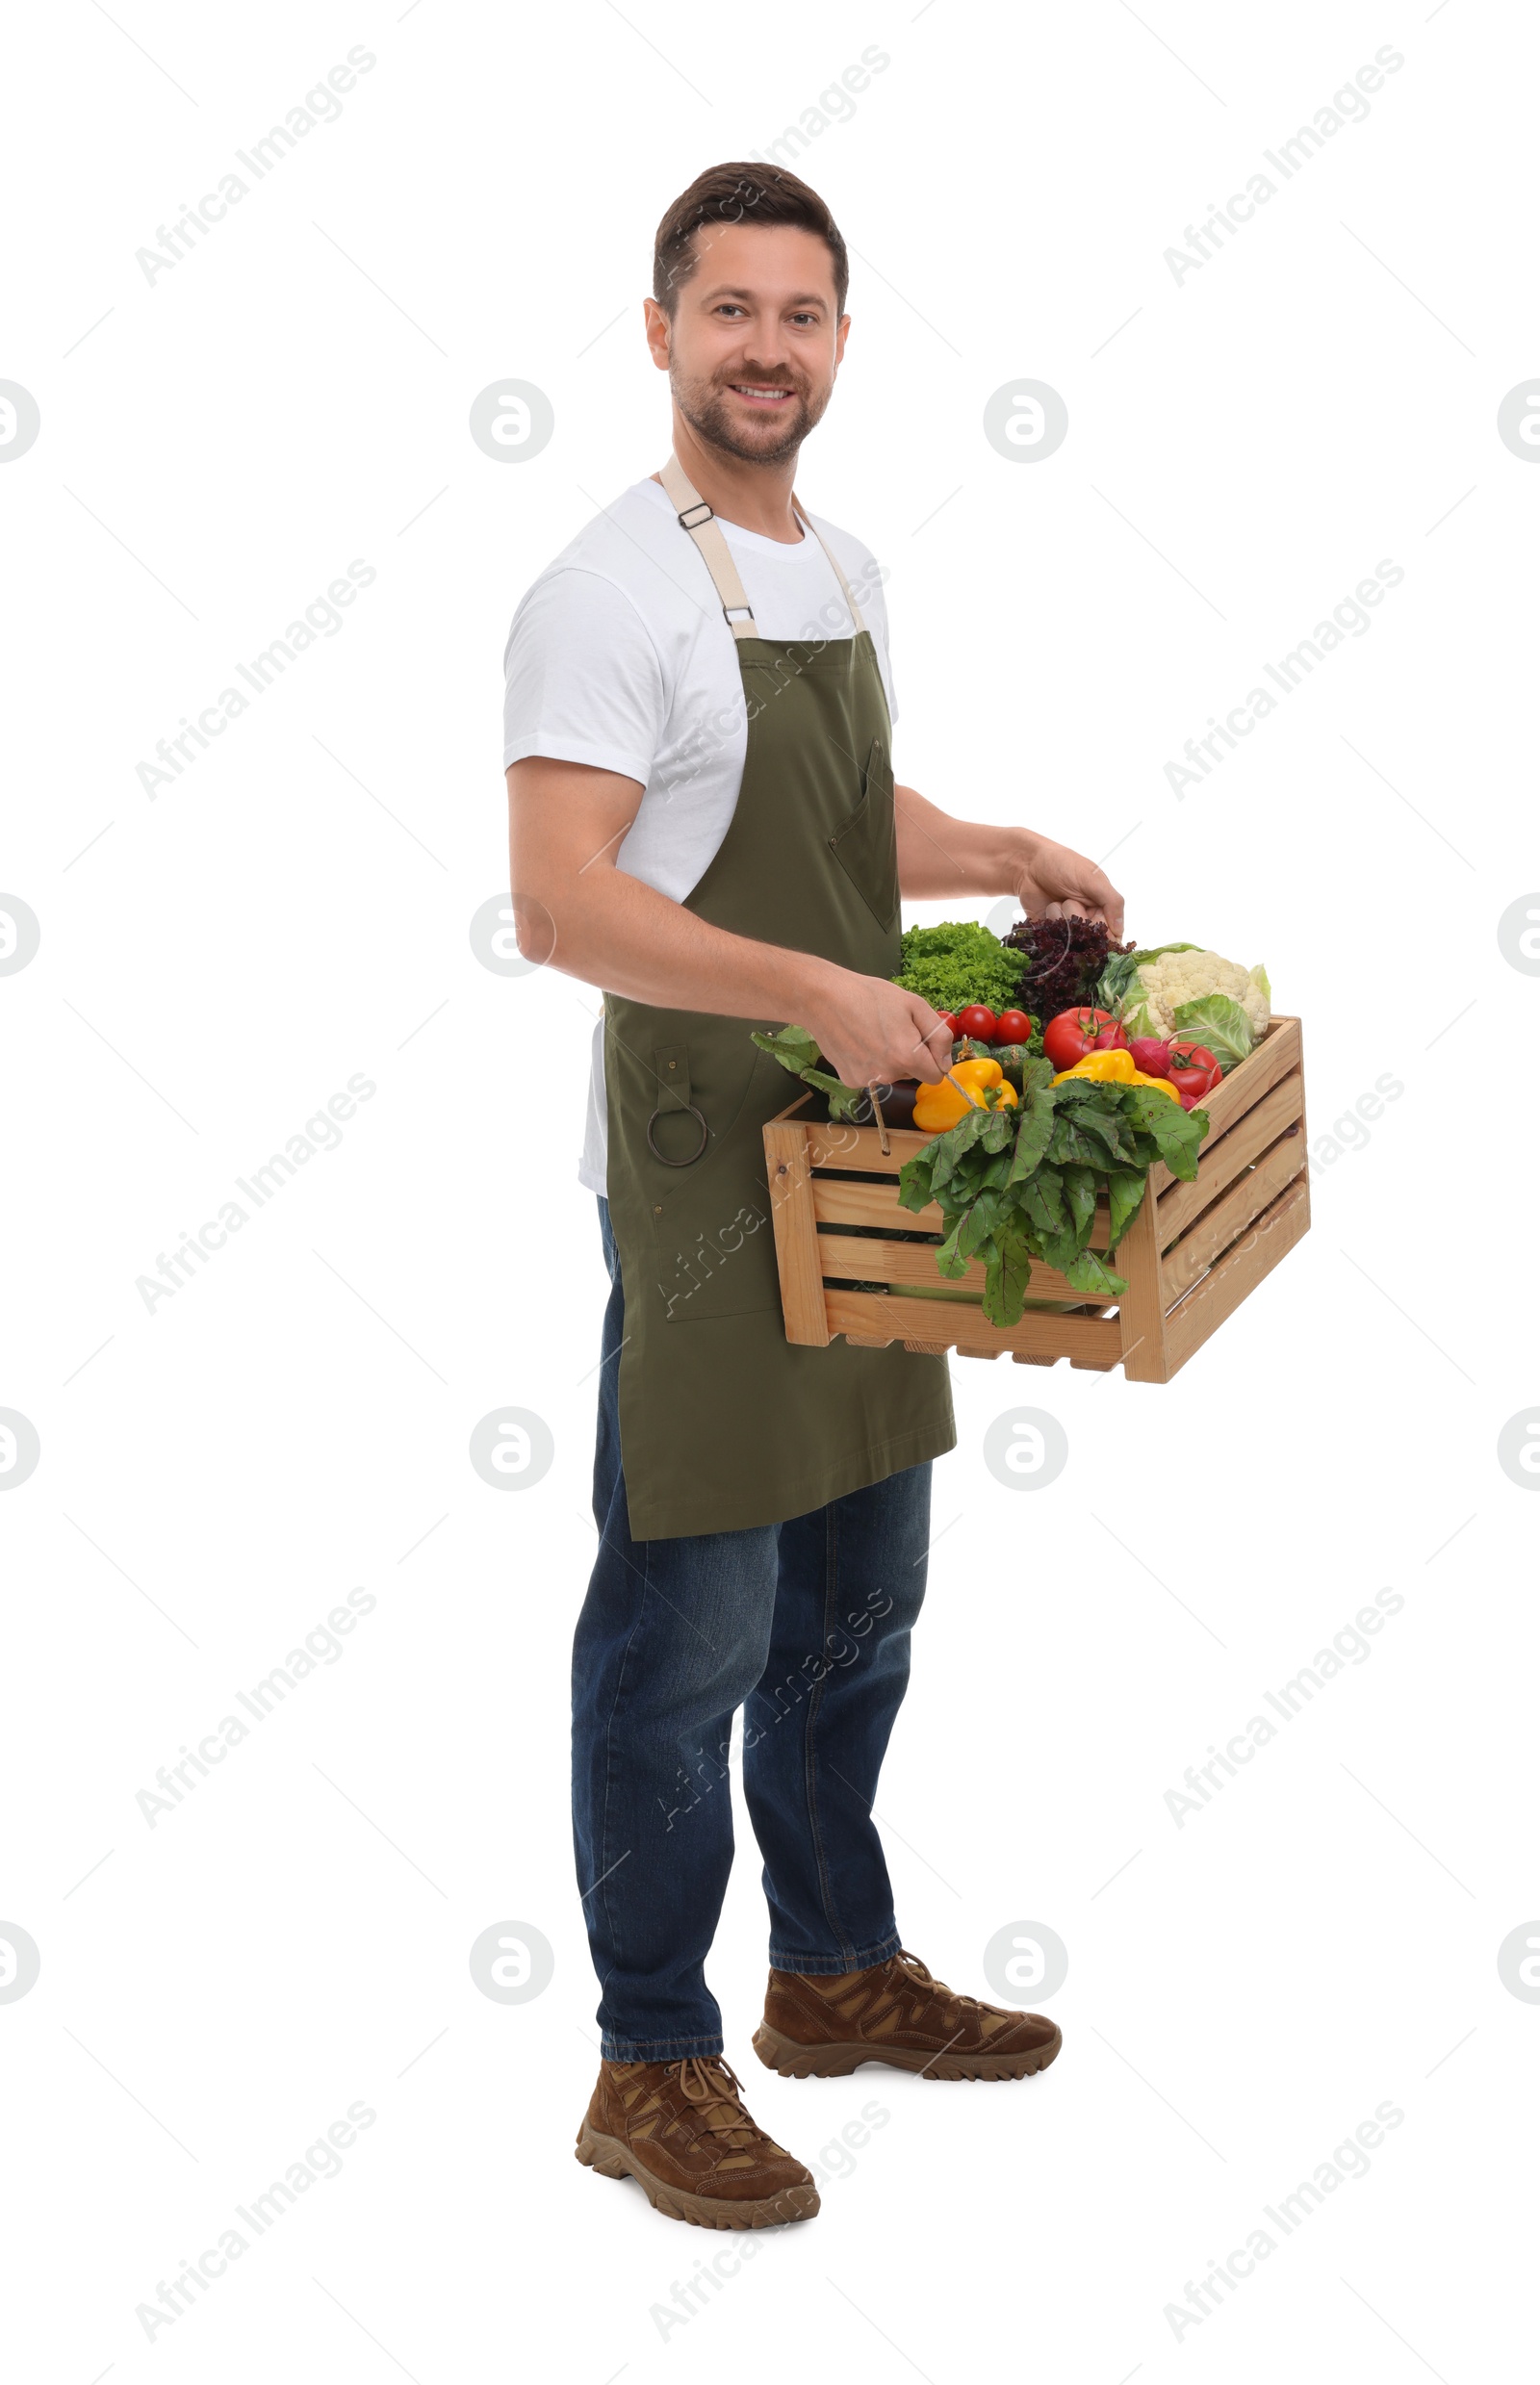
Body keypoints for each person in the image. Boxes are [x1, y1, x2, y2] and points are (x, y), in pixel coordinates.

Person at [503, 162, 1123, 2230]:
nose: (765, 349)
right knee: (689, 1629)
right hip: (701, 1185)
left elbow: (842, 813)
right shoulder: (604, 594)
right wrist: (809, 989)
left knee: (859, 1604)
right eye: (728, 312)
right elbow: (562, 902)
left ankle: (833, 1970)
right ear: (658, 331)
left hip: (859, 1172)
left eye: (802, 314)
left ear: (841, 340)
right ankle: (646, 2058)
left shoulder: (838, 561)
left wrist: (998, 845)